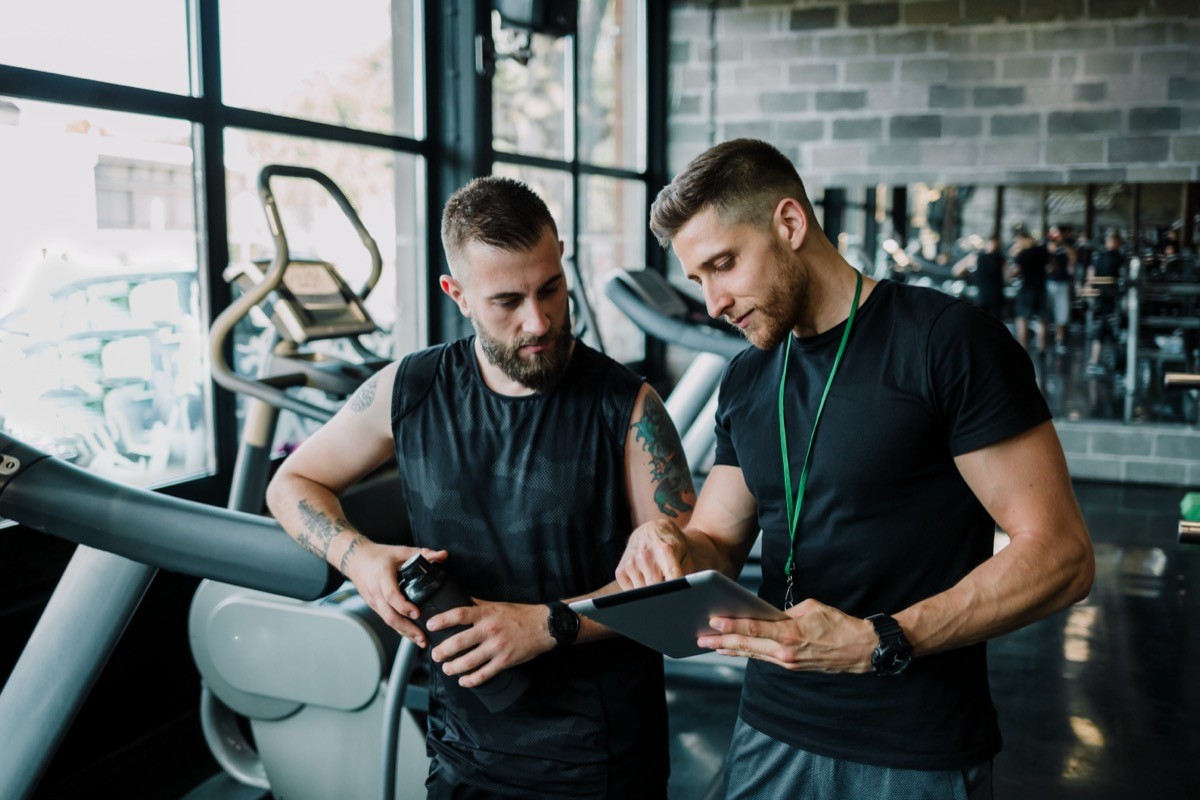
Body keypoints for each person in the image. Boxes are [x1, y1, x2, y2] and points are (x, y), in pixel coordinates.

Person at [615, 139, 1094, 800]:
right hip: (770, 730)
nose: (715, 302)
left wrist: (879, 640)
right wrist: (668, 543)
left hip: (913, 747)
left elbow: (1062, 555)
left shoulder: (946, 341)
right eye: (699, 279)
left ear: (789, 223)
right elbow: (719, 540)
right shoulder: (748, 378)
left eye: (724, 265)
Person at [266, 176, 695, 799]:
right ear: (457, 293)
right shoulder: (408, 390)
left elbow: (677, 597)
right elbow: (292, 482)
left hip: (598, 761)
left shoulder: (628, 408)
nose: (539, 319)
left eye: (551, 289)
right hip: (463, 752)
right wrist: (357, 558)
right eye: (507, 301)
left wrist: (547, 625)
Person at [1085, 231, 1126, 375]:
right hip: (1111, 299)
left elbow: (1090, 273)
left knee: (1102, 329)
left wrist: (1090, 288)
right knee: (1107, 329)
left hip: (1099, 298)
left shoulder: (1099, 256)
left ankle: (1098, 361)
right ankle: (1095, 362)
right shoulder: (1118, 258)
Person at [1009, 227, 1050, 351]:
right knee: (1042, 319)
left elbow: (1014, 273)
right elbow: (1053, 267)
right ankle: (1041, 348)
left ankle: (1022, 348)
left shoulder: (1022, 254)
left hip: (1026, 289)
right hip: (1041, 289)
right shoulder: (1043, 251)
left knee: (1022, 319)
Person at [951, 234, 1007, 320]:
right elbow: (956, 270)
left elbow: (956, 271)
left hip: (989, 297)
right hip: (990, 297)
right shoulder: (978, 257)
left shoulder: (997, 258)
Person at [1044, 226, 1076, 354]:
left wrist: (1062, 245)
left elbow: (1073, 258)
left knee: (1061, 313)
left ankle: (1060, 340)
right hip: (1048, 283)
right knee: (1046, 313)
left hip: (1062, 283)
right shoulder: (1046, 247)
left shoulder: (1067, 248)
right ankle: (1044, 341)